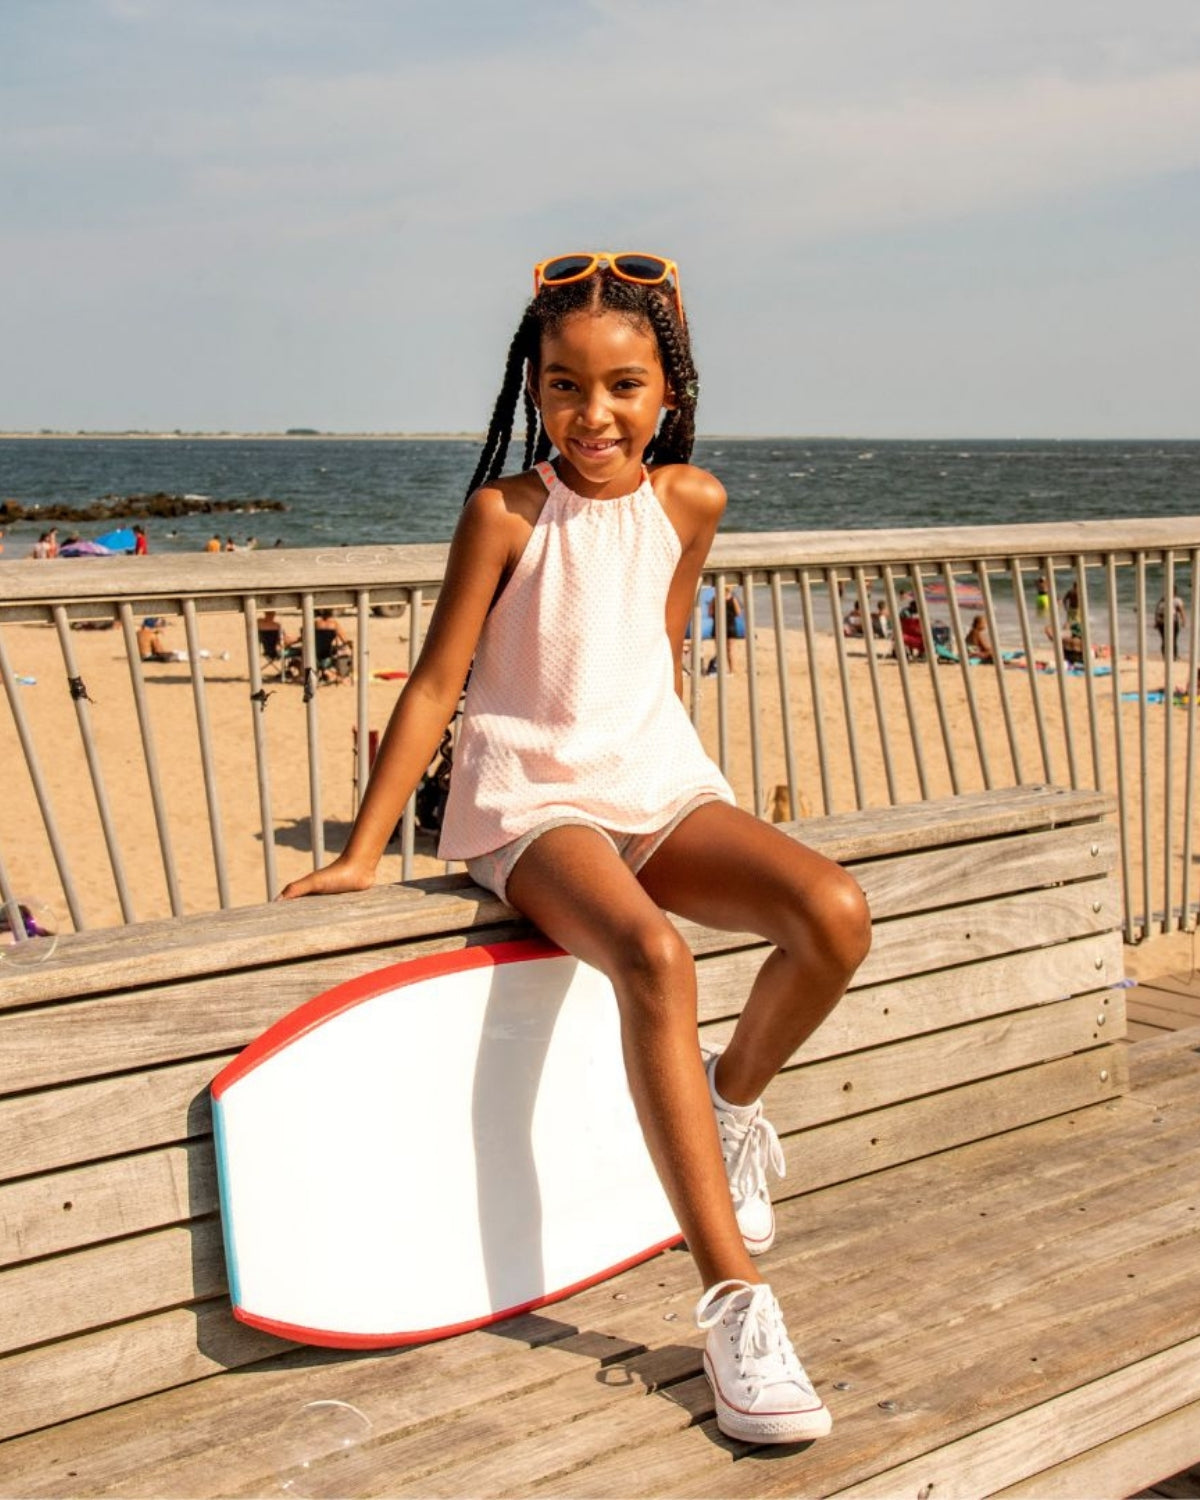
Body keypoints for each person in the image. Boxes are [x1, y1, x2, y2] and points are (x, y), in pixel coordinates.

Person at [280, 251, 870, 1445]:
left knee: (835, 914)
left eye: (623, 385)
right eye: (563, 386)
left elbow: (650, 643)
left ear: (667, 389)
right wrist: (361, 851)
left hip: (653, 781)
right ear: (534, 390)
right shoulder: (504, 513)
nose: (591, 414)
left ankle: (729, 1103)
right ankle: (734, 1308)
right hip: (531, 803)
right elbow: (441, 680)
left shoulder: (690, 503)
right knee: (655, 958)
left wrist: (662, 785)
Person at [1155, 594, 1185, 659]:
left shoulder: (1172, 600)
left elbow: (1181, 610)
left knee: (1169, 639)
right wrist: (1183, 620)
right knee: (1168, 639)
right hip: (1165, 622)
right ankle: (1169, 655)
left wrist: (1183, 620)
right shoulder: (1163, 600)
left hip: (1168, 622)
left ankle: (1170, 655)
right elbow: (1157, 611)